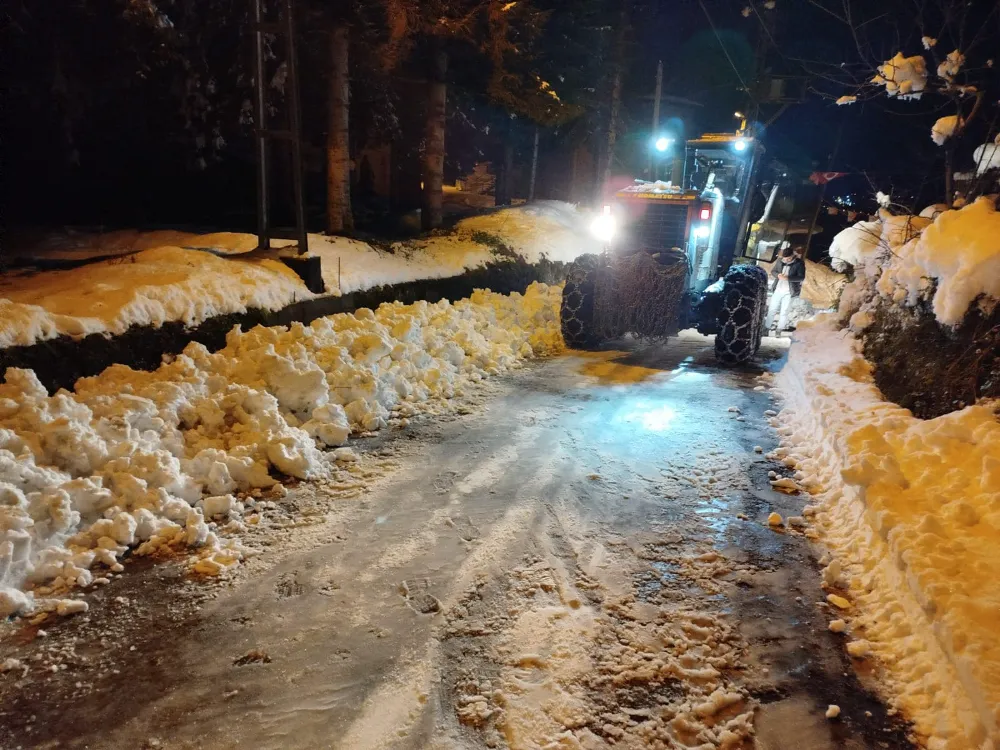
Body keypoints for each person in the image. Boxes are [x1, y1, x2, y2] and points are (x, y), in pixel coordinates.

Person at [766, 245, 806, 333]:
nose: (786, 260)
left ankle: (779, 329)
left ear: (793, 256)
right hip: (778, 289)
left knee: (784, 311)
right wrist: (778, 275)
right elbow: (773, 271)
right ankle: (766, 328)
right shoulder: (780, 261)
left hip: (789, 291)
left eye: (788, 259)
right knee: (772, 309)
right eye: (784, 258)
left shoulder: (799, 263)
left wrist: (788, 278)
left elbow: (801, 277)